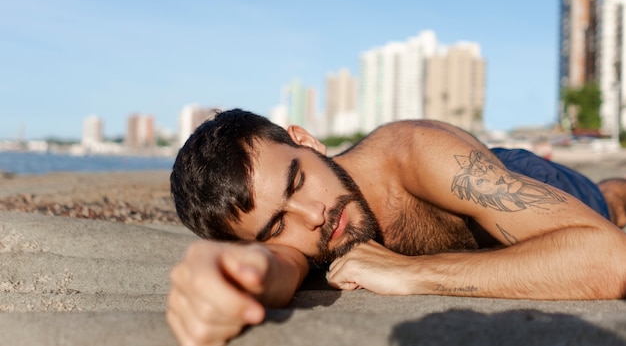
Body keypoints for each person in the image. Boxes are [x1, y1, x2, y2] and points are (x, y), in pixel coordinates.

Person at [166, 109, 626, 346]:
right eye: (275, 226)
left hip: (521, 183)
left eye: (299, 180)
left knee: (612, 201)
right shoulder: (302, 234)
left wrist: (413, 273)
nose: (313, 216)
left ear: (306, 141)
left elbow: (610, 259)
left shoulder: (415, 153)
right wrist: (225, 274)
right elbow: (268, 268)